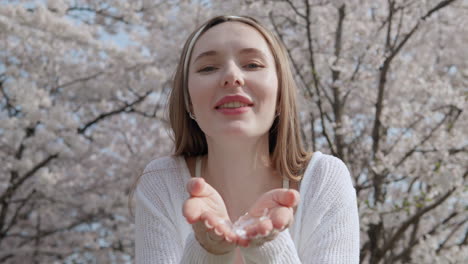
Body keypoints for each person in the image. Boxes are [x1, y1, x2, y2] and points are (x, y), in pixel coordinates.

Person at [133, 15, 359, 263]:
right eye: (208, 68)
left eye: (252, 65)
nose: (232, 76)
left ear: (280, 94)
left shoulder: (324, 179)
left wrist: (269, 248)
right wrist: (208, 251)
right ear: (188, 101)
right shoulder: (161, 182)